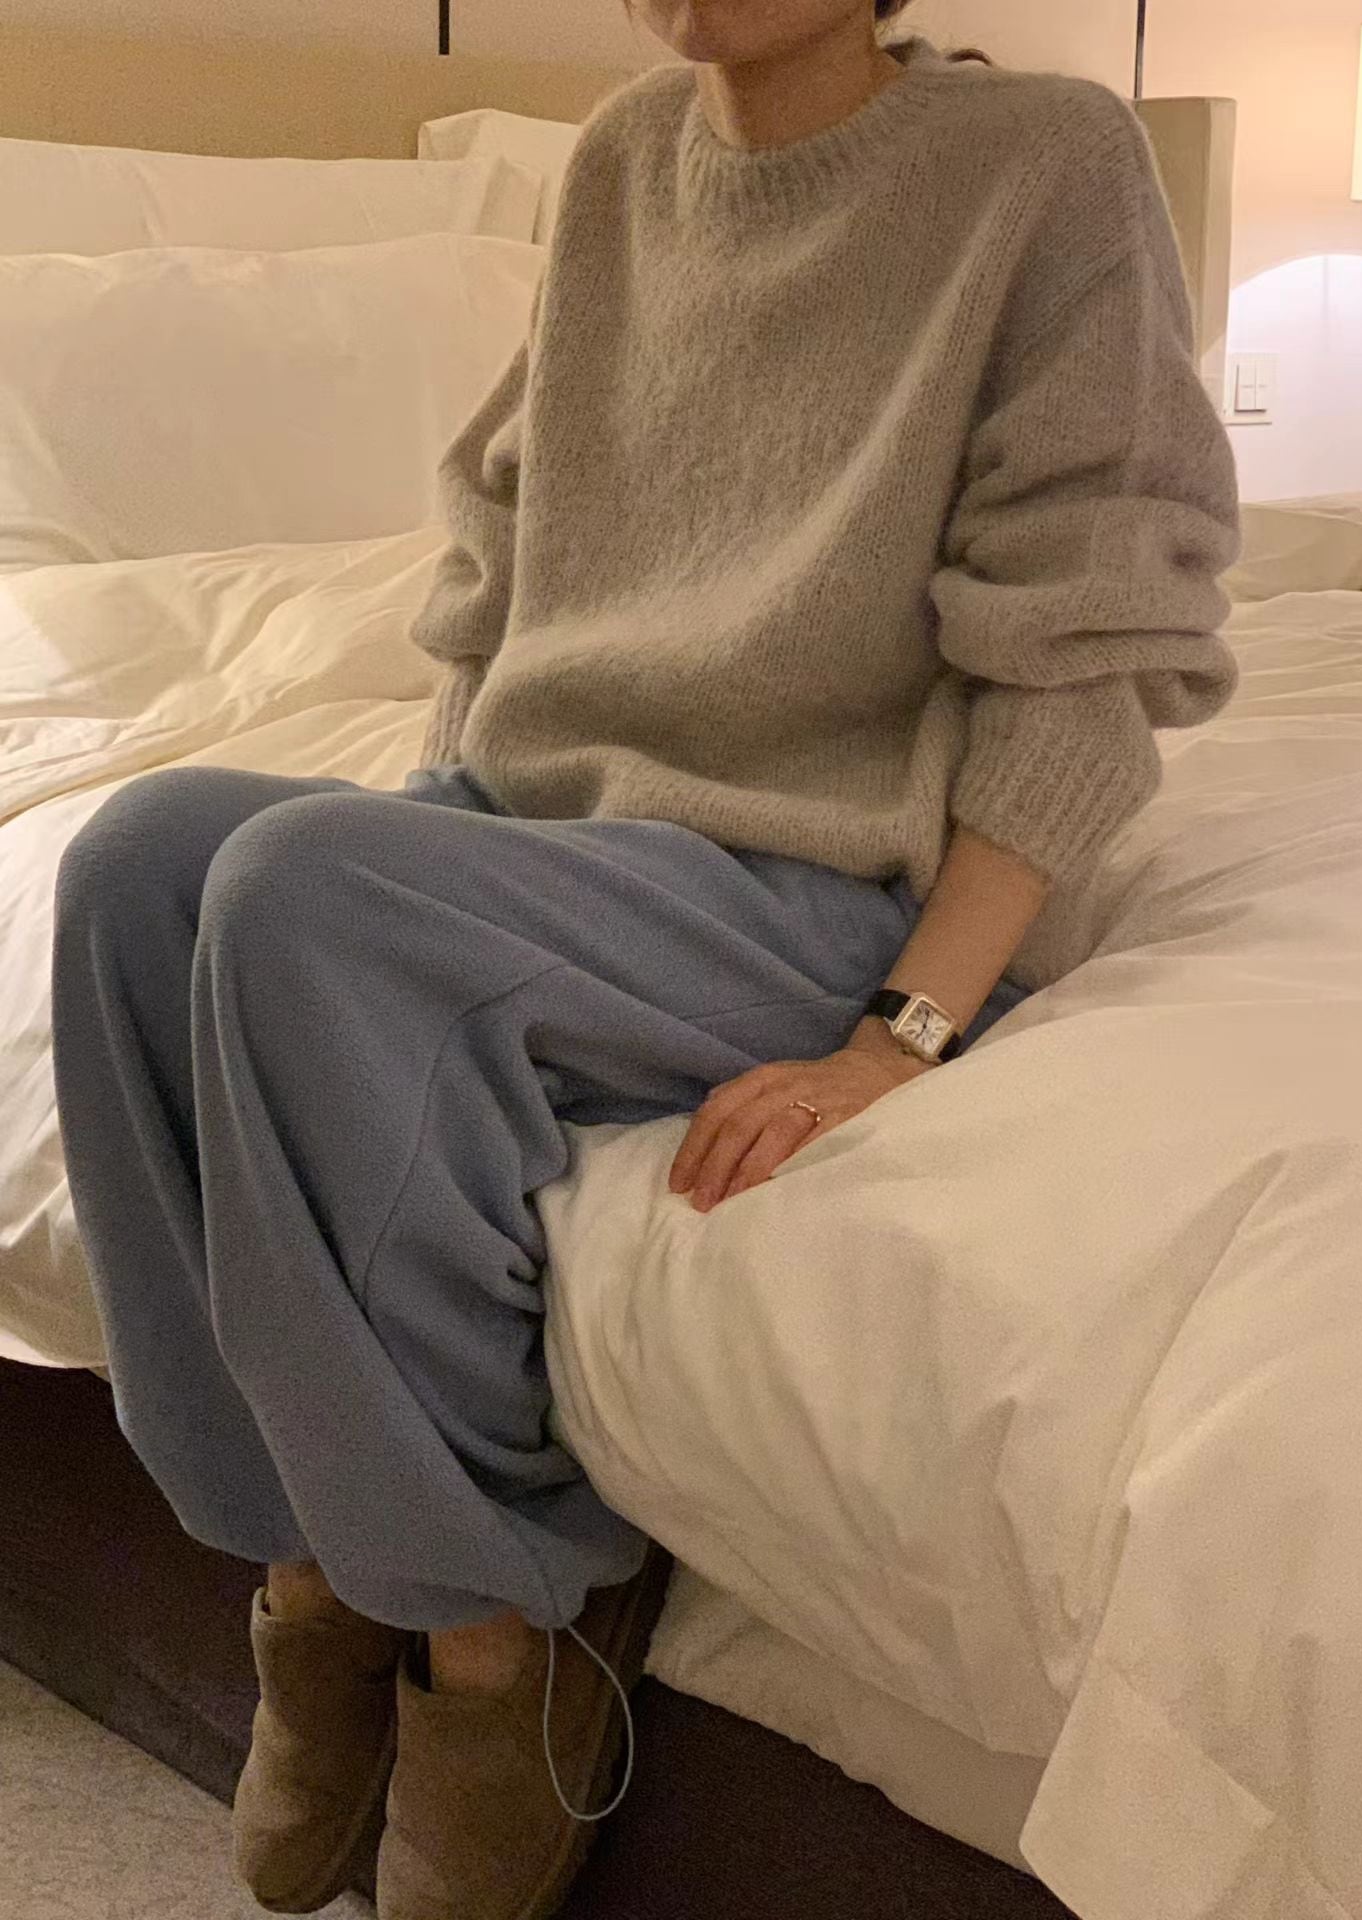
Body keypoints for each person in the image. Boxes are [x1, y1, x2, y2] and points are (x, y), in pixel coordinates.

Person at [49, 1, 1241, 1915]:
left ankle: (501, 1622)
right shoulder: (622, 155)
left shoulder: (1046, 164)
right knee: (141, 863)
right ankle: (312, 1555)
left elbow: (1095, 635)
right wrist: (437, 849)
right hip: (561, 837)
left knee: (295, 890)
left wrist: (901, 1035)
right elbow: (503, 549)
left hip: (827, 889)